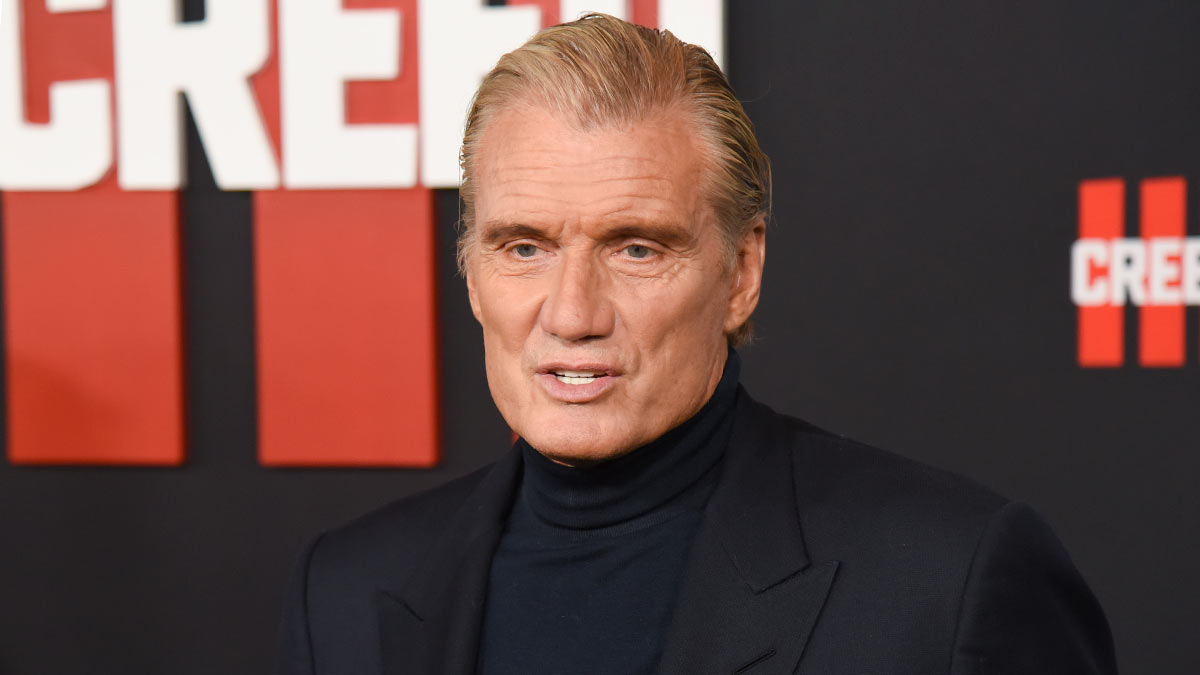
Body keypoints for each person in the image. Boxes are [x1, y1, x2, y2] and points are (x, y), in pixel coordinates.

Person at [276, 13, 1117, 675]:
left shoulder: (948, 581)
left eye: (637, 249)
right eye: (524, 247)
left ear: (742, 270)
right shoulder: (344, 592)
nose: (572, 313)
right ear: (470, 272)